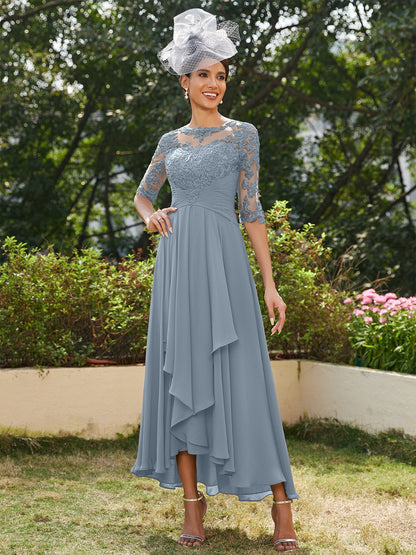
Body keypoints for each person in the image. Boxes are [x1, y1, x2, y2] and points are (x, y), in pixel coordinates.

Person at [131, 8, 299, 552]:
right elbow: (143, 195)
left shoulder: (243, 135)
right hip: (178, 267)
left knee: (246, 378)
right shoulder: (170, 141)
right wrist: (150, 217)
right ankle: (192, 507)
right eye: (203, 75)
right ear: (184, 81)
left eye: (221, 76)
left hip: (226, 267)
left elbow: (252, 209)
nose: (214, 84)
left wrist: (269, 284)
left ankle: (281, 508)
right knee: (182, 374)